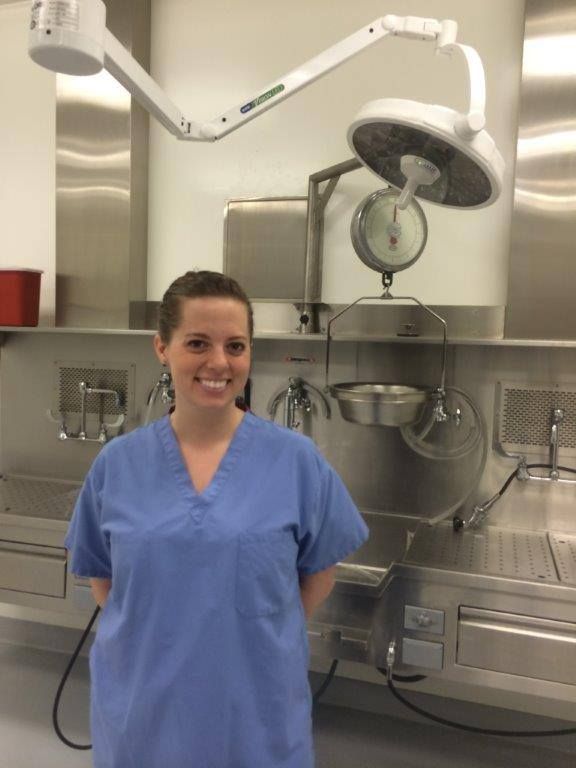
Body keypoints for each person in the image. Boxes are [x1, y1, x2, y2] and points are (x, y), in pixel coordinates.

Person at [65, 270, 369, 768]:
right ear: (162, 347)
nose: (219, 363)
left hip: (255, 717)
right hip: (144, 714)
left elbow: (318, 577)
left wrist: (250, 634)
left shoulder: (295, 462)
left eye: (235, 346)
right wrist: (162, 630)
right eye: (198, 343)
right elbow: (103, 579)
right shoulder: (117, 465)